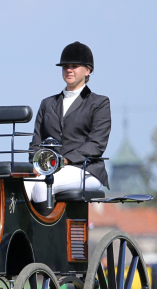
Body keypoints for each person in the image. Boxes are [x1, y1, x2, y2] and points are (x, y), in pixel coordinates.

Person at [26, 42, 110, 203]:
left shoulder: (99, 103)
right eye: (65, 66)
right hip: (48, 168)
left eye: (74, 66)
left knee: (43, 185)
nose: (69, 70)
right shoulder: (47, 104)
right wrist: (35, 164)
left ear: (88, 70)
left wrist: (65, 160)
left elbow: (96, 144)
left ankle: (47, 228)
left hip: (85, 169)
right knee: (21, 186)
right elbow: (36, 141)